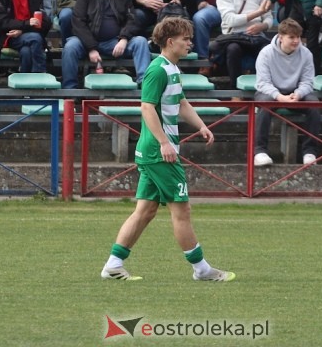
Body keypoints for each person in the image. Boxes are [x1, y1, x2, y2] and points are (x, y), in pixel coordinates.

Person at [100, 16, 235, 283]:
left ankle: (113, 265)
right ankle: (202, 270)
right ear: (170, 41)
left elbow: (181, 102)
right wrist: (164, 143)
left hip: (156, 151)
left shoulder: (172, 69)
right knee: (181, 210)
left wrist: (200, 126)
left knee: (145, 211)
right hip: (158, 151)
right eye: (185, 39)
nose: (190, 43)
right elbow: (147, 107)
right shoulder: (158, 70)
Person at [60, 0, 151, 89]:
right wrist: (91, 48)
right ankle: (70, 88)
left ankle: (145, 83)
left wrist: (124, 39)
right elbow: (78, 23)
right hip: (86, 43)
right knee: (70, 47)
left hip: (114, 42)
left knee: (140, 42)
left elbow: (132, 20)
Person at [253, 18, 322, 166]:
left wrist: (298, 94)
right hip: (271, 92)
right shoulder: (266, 53)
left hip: (295, 92)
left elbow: (308, 81)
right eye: (291, 37)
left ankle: (310, 152)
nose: (296, 41)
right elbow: (263, 83)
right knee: (263, 105)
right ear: (280, 37)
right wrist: (279, 97)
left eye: (298, 37)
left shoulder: (306, 54)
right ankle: (260, 152)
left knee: (314, 104)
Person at [213, 0, 272, 87]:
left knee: (267, 49)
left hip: (256, 36)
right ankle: (235, 90)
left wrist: (262, 26)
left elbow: (268, 17)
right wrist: (258, 13)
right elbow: (230, 20)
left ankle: (262, 87)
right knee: (233, 49)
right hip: (234, 36)